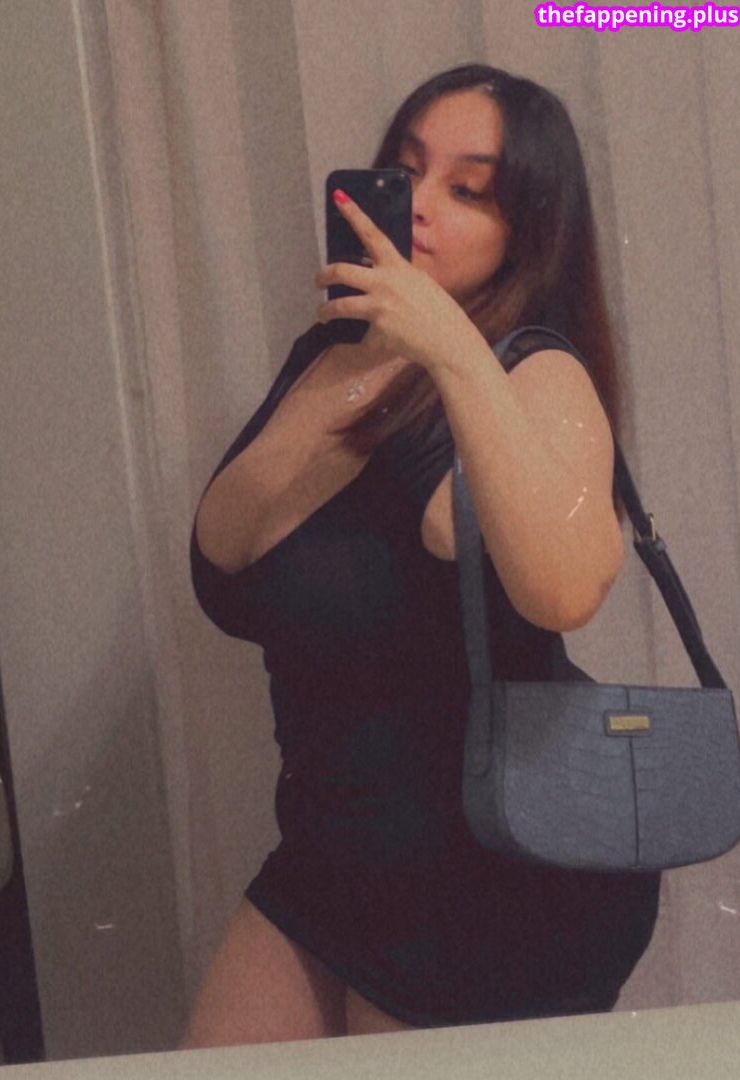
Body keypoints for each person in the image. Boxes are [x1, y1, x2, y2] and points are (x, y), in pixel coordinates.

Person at [183, 63, 660, 1047]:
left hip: (483, 878)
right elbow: (222, 557)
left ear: (529, 230)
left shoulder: (538, 373)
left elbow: (566, 588)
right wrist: (358, 371)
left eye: (469, 189)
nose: (424, 205)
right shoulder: (331, 358)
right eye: (406, 173)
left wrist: (450, 350)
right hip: (330, 856)